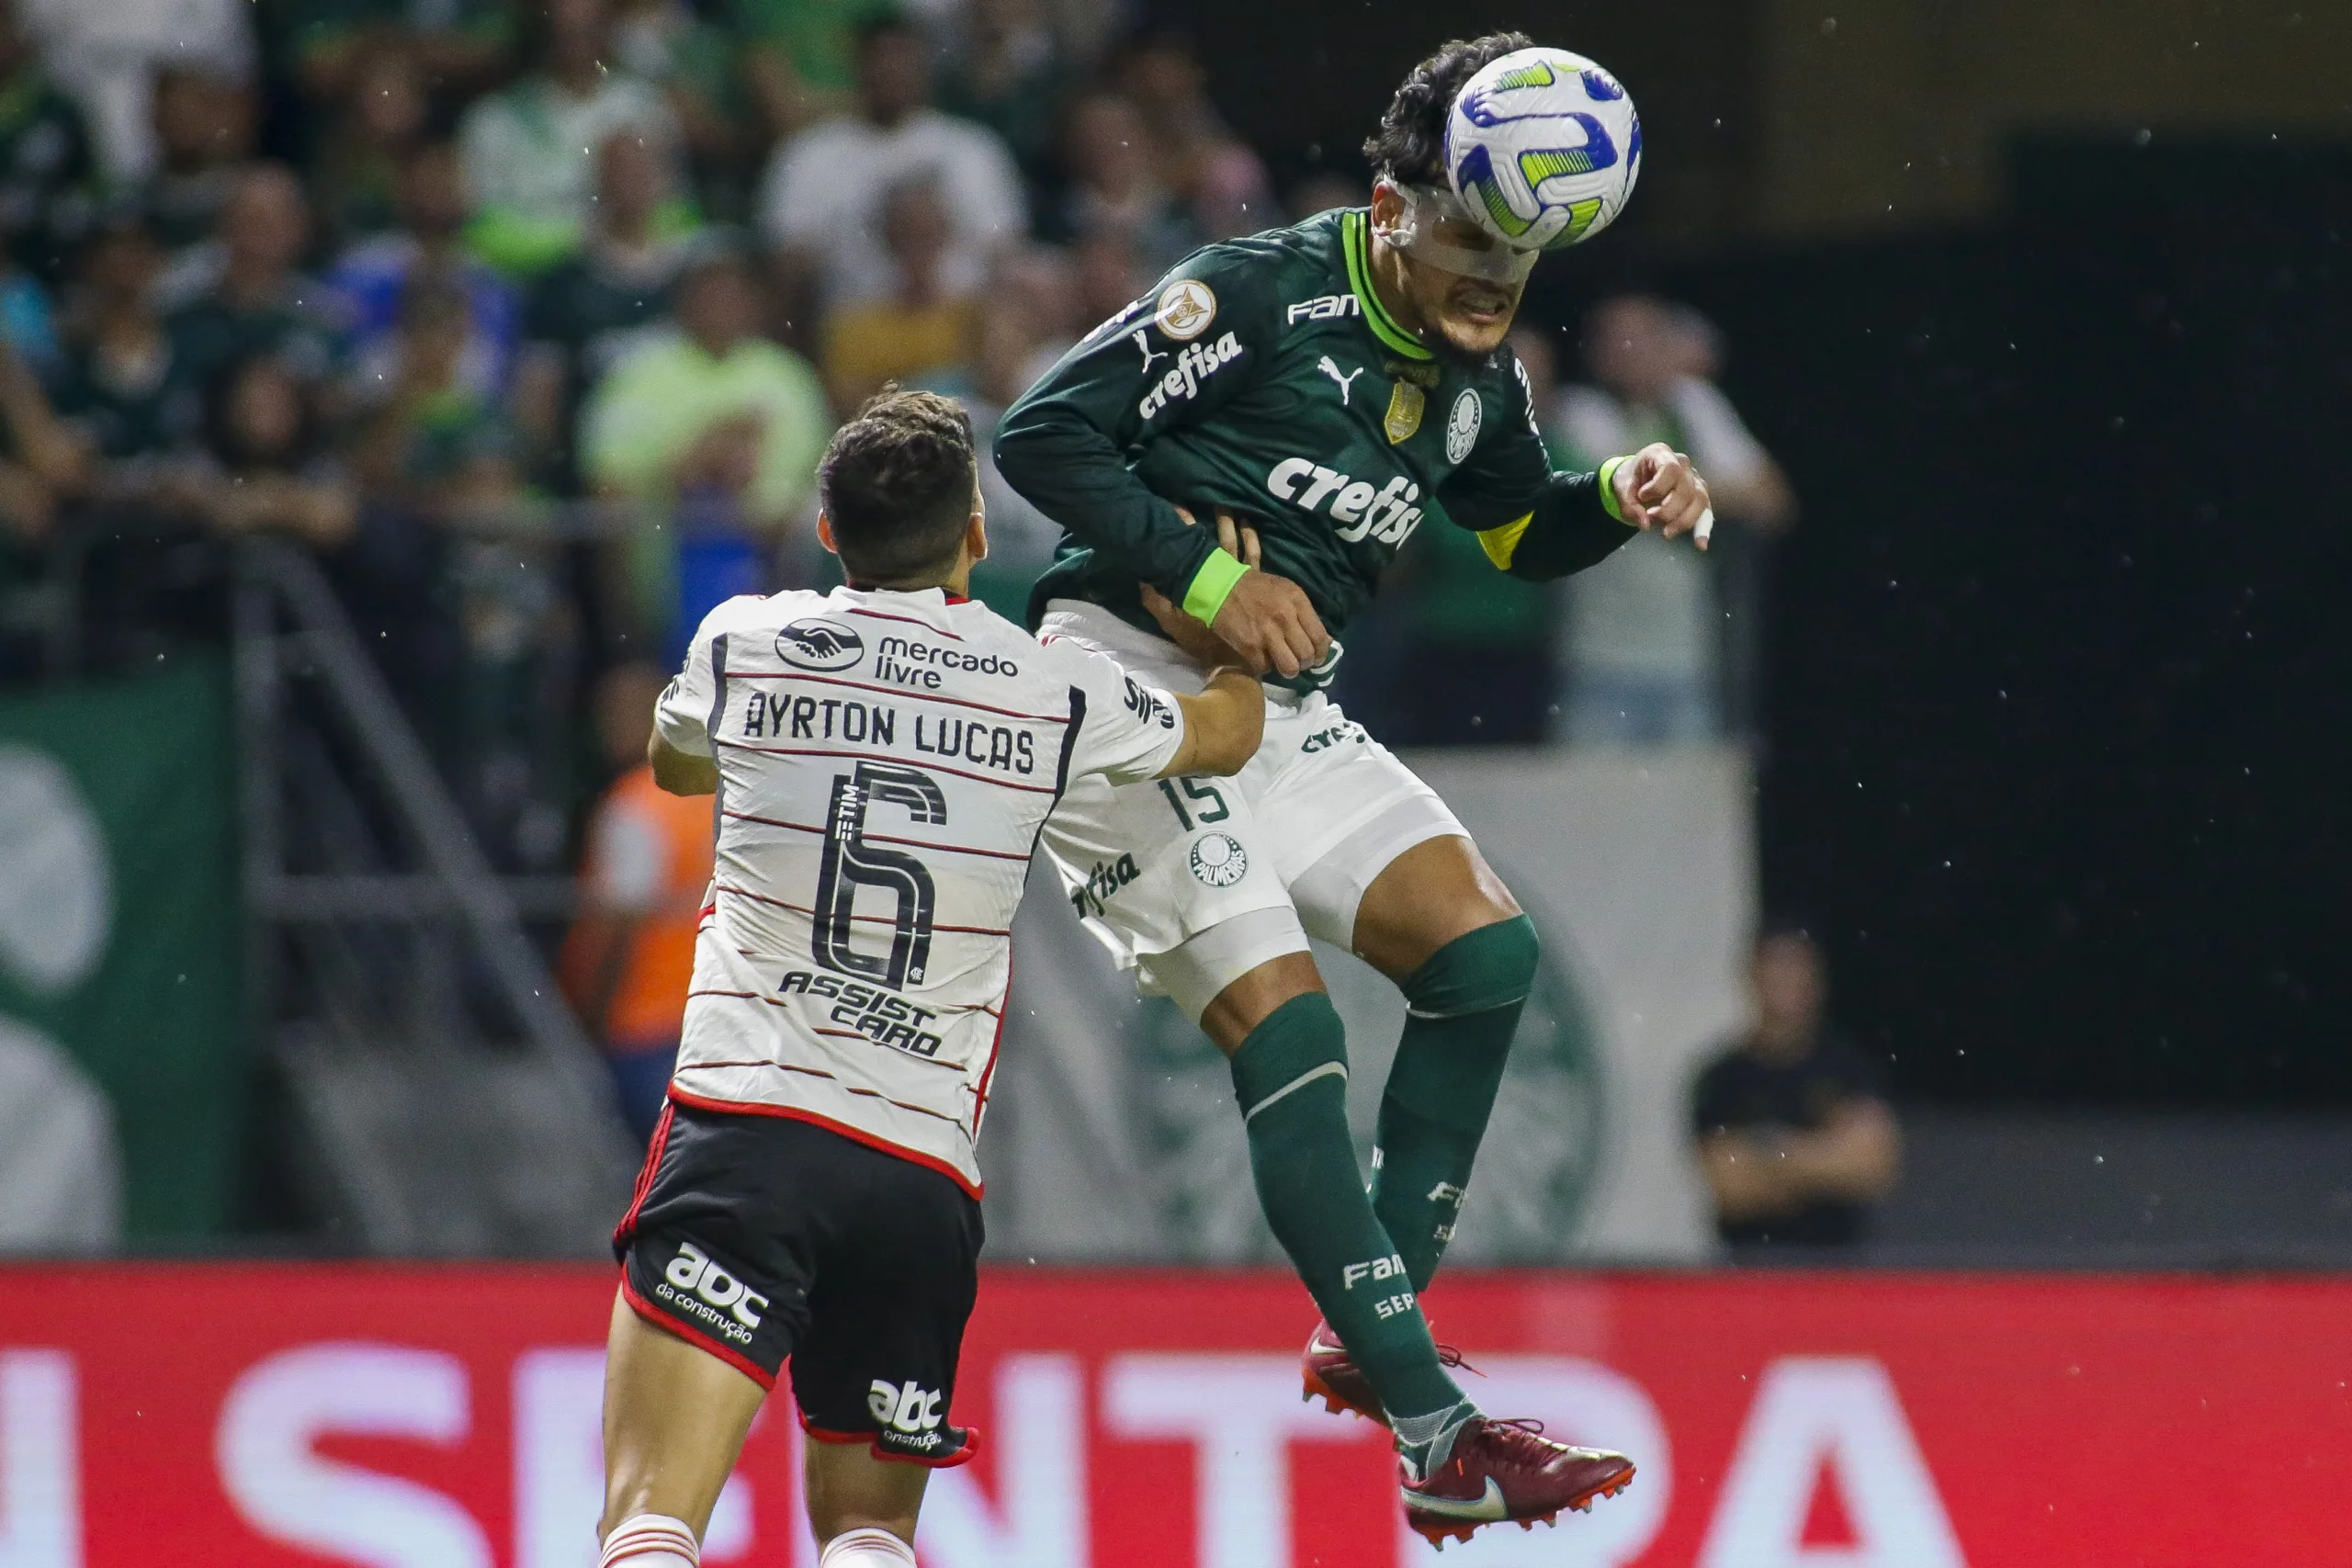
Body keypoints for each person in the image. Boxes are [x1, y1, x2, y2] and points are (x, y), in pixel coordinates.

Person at [992, 32, 1708, 1540]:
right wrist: (1194, 569)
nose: (1489, 288)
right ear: (1397, 201)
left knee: (1483, 953)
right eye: (1469, 246)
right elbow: (1044, 433)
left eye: (1520, 270)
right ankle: (1432, 1419)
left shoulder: (1474, 381)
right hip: (1124, 675)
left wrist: (1618, 496)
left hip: (1283, 708)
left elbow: (1516, 532)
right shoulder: (1261, 291)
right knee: (1293, 1022)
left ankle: (1365, 1327)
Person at [594, 389, 1266, 1568]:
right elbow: (1226, 733)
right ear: (973, 534)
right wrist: (1219, 619)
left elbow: (673, 760)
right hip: (919, 1173)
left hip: (753, 1123)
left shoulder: (743, 641)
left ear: (823, 526)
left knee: (651, 1517)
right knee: (866, 1536)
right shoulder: (1054, 688)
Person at [1555, 295, 1794, 747]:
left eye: (1645, 336)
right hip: (1599, 656)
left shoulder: (1693, 406)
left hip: (1686, 656)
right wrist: (1704, 488)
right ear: (1594, 352)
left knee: (1689, 807)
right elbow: (1629, 498)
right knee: (1594, 805)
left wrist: (1683, 487)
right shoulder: (1577, 414)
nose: (1632, 349)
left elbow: (1772, 501)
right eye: (1616, 338)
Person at [577, 238, 828, 657]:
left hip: (774, 576)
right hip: (660, 581)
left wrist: (748, 502)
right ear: (682, 299)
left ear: (755, 301)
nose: (719, 304)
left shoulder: (789, 378)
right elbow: (607, 486)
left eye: (732, 292)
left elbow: (819, 487)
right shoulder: (639, 374)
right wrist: (693, 463)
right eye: (707, 291)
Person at [755, 10, 1024, 311]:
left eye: (901, 59)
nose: (890, 71)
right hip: (856, 326)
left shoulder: (971, 147)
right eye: (878, 59)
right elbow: (787, 263)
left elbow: (1004, 251)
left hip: (961, 322)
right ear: (856, 66)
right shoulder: (809, 153)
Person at [562, 661, 717, 1141]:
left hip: (645, 1025)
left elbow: (618, 926)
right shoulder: (724, 796)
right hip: (717, 1020)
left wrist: (589, 1013)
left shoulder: (635, 806)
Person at [1691, 919, 1901, 1253]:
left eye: (1795, 969)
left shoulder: (1850, 1069)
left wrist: (1770, 1153)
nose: (1786, 981)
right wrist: (1825, 1159)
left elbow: (1870, 1167)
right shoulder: (1722, 1079)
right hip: (1748, 1270)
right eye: (1775, 968)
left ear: (1818, 980)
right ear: (1751, 977)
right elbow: (1727, 1186)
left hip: (1835, 1270)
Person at [457, 0, 681, 277]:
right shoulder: (494, 120)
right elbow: (484, 230)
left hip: (637, 277)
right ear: (541, 32)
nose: (576, 41)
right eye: (563, 30)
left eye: (589, 28)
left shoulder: (645, 107)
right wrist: (585, 239)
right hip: (530, 284)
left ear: (610, 30)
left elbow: (677, 211)